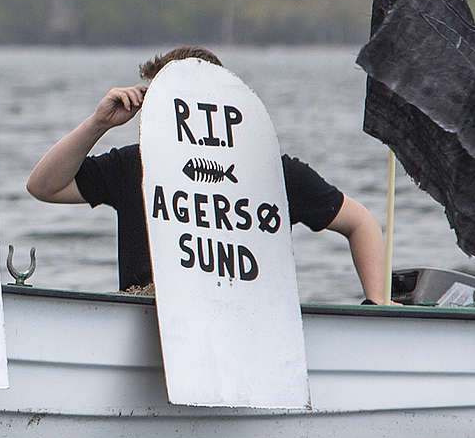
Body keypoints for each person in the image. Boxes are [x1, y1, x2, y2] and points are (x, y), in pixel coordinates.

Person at [24, 45, 390, 302]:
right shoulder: (135, 164)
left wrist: (377, 304)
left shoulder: (272, 170)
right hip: (152, 320)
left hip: (244, 319)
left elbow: (362, 224)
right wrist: (98, 124)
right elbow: (43, 186)